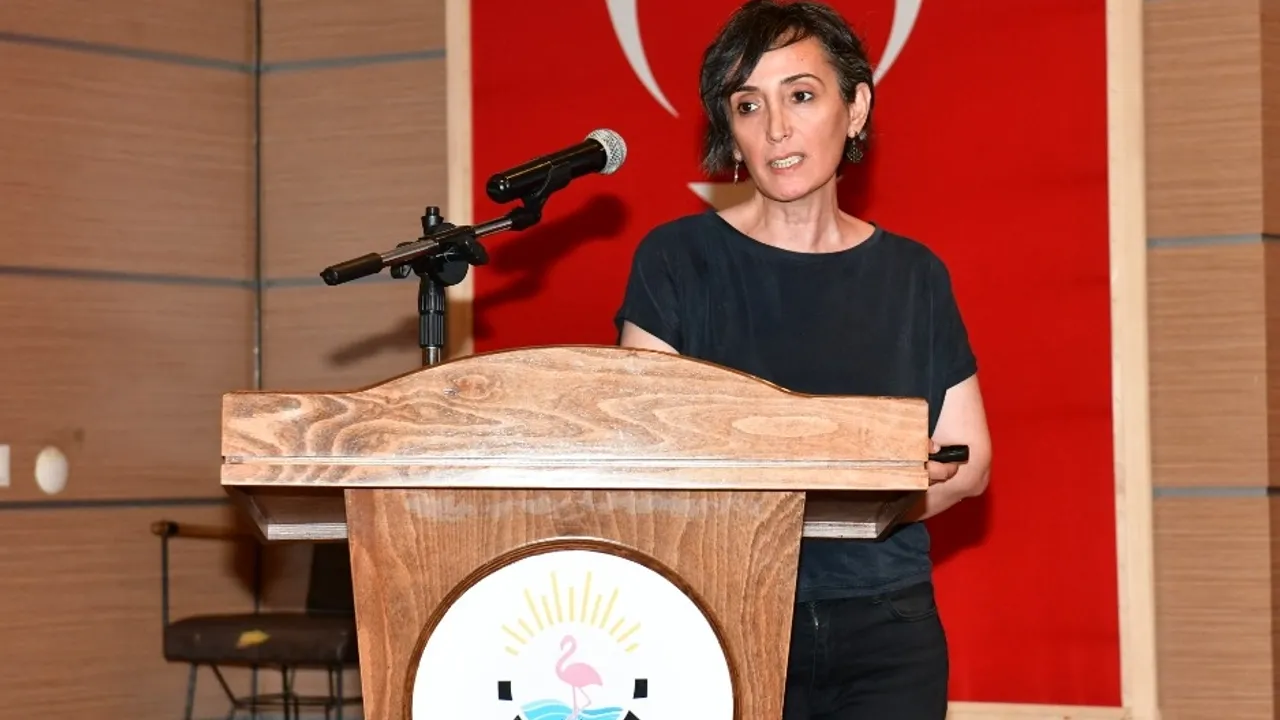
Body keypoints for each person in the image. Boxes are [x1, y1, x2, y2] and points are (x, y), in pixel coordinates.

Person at [613, 1, 992, 718]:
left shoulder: (913, 274)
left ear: (856, 109)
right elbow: (641, 460)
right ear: (729, 130)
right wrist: (851, 488)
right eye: (748, 105)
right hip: (723, 616)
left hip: (887, 627)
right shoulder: (678, 260)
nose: (776, 128)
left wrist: (854, 508)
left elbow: (969, 464)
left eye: (802, 95)